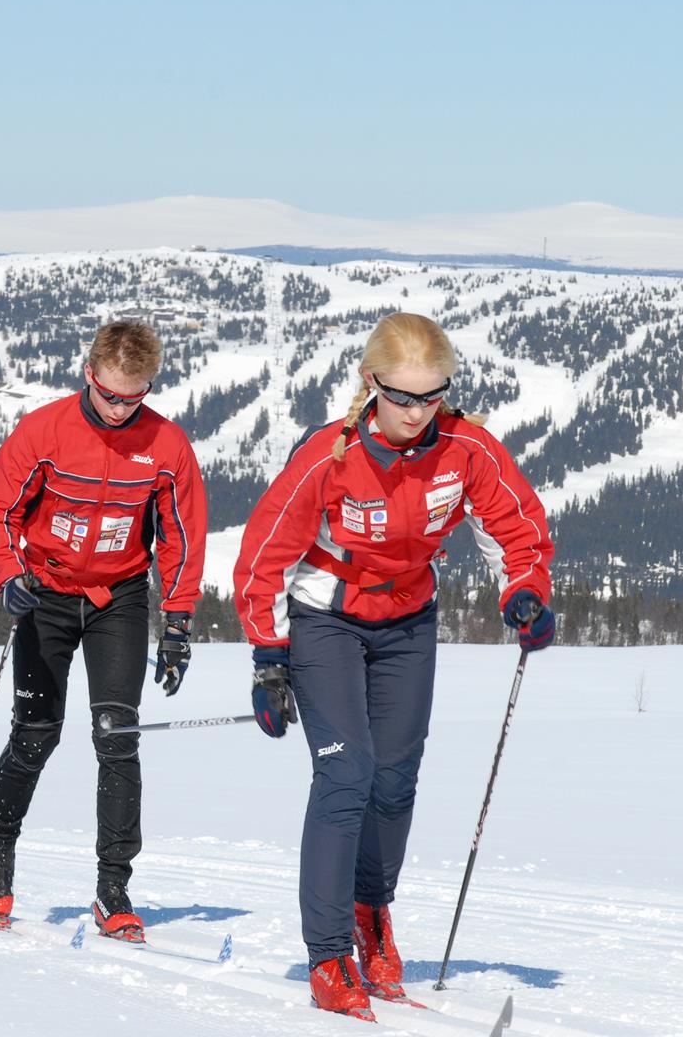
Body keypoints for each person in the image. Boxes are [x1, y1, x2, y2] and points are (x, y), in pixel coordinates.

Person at [232, 312, 555, 1021]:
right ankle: (327, 954)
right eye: (402, 396)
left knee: (395, 778)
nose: (416, 412)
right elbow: (263, 556)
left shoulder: (466, 449)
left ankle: (370, 912)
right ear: (369, 382)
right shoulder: (329, 456)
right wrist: (268, 656)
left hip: (408, 620)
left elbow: (516, 527)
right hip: (326, 619)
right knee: (346, 775)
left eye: (432, 395)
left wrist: (525, 592)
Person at [0, 319, 208, 942]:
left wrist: (178, 621)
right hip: (46, 593)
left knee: (118, 736)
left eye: (136, 397)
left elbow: (180, 538)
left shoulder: (166, 445)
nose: (122, 409)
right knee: (37, 735)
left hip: (119, 597)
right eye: (110, 396)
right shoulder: (44, 431)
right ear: (89, 374)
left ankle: (113, 888)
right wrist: (8, 574)